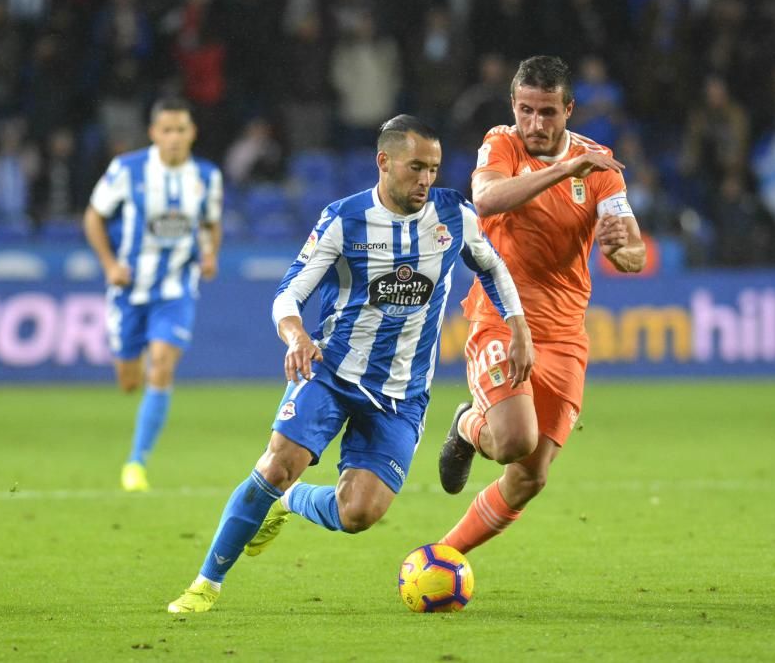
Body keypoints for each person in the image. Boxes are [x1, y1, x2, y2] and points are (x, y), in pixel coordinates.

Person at [167, 114, 533, 613]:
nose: (426, 179)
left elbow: (492, 266)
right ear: (384, 162)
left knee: (358, 513)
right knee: (277, 463)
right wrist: (295, 334)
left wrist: (517, 324)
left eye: (434, 168)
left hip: (401, 395)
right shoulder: (343, 219)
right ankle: (205, 584)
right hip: (332, 371)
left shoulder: (454, 216)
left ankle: (291, 500)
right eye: (415, 167)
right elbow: (289, 292)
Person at [437, 55, 646, 555]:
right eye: (526, 110)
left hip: (565, 335)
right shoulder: (501, 142)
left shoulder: (599, 164)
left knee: (530, 477)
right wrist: (565, 171)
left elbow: (632, 251)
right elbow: (486, 200)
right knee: (511, 440)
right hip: (501, 320)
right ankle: (469, 425)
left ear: (569, 109)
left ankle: (440, 557)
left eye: (547, 112)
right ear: (514, 105)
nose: (535, 123)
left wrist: (622, 249)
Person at [83, 97, 223, 492]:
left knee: (161, 365)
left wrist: (210, 254)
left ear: (192, 132)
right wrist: (110, 265)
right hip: (129, 289)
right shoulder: (128, 170)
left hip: (176, 288)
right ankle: (138, 377)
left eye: (181, 130)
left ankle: (136, 463)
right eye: (167, 130)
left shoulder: (207, 177)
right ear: (153, 133)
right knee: (129, 380)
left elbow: (212, 223)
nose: (174, 138)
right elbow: (93, 216)